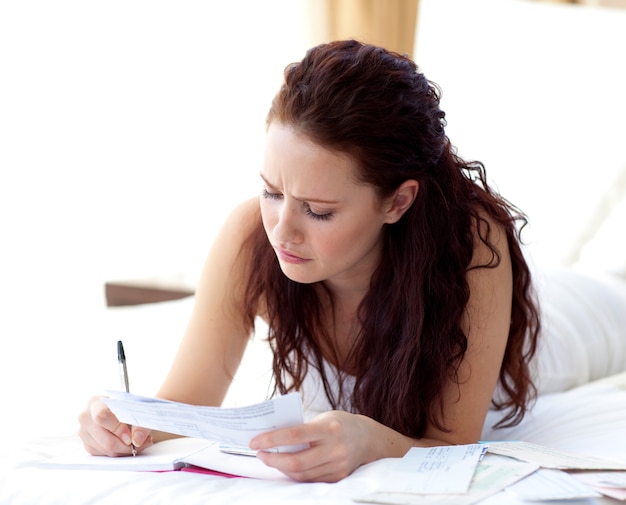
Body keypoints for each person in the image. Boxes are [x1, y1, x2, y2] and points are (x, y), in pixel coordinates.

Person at [78, 39, 541, 483]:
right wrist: (124, 421)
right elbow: (188, 401)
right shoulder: (249, 236)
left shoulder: (473, 248)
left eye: (318, 211)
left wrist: (371, 439)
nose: (281, 230)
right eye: (271, 192)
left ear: (398, 202)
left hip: (564, 328)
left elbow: (455, 443)